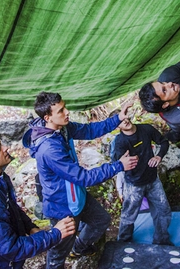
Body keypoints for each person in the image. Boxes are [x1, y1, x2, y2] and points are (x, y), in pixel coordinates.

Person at [22, 92, 138, 269]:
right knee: (57, 254)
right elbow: (84, 177)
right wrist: (118, 166)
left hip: (76, 196)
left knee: (101, 220)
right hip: (62, 207)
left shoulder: (62, 128)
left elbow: (89, 131)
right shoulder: (49, 149)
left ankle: (79, 247)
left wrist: (117, 119)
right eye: (61, 110)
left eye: (65, 106)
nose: (67, 112)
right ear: (47, 117)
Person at [0, 133, 76, 269]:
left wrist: (30, 227)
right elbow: (9, 248)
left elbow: (11, 208)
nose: (6, 148)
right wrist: (55, 234)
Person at [112, 112, 172, 245]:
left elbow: (163, 142)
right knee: (128, 216)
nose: (125, 122)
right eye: (120, 121)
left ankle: (161, 240)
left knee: (163, 210)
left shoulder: (146, 129)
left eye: (125, 118)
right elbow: (119, 164)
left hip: (153, 180)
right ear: (117, 126)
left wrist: (159, 156)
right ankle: (123, 244)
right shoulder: (120, 142)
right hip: (134, 184)